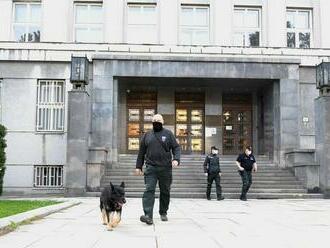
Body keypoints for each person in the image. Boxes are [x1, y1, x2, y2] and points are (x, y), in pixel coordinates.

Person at [135, 114, 181, 225]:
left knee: (165, 191)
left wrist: (176, 159)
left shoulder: (168, 134)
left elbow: (176, 147)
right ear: (152, 122)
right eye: (154, 120)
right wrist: (138, 166)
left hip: (165, 168)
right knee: (149, 190)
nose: (157, 121)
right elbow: (141, 152)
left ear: (163, 121)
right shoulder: (147, 135)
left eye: (159, 120)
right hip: (151, 168)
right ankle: (148, 215)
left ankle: (163, 212)